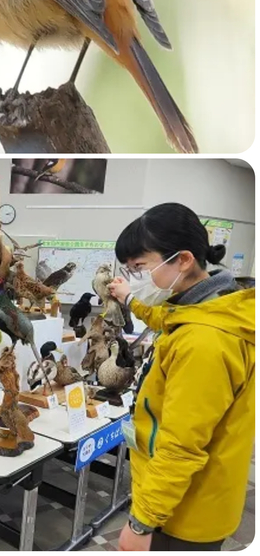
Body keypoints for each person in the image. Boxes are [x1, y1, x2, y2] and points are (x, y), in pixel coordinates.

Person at [107, 203, 254, 552]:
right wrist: (130, 301)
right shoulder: (214, 306)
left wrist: (141, 522)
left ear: (183, 259)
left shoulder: (205, 342)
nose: (138, 277)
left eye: (140, 267)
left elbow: (182, 448)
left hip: (185, 514)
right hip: (189, 497)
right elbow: (167, 318)